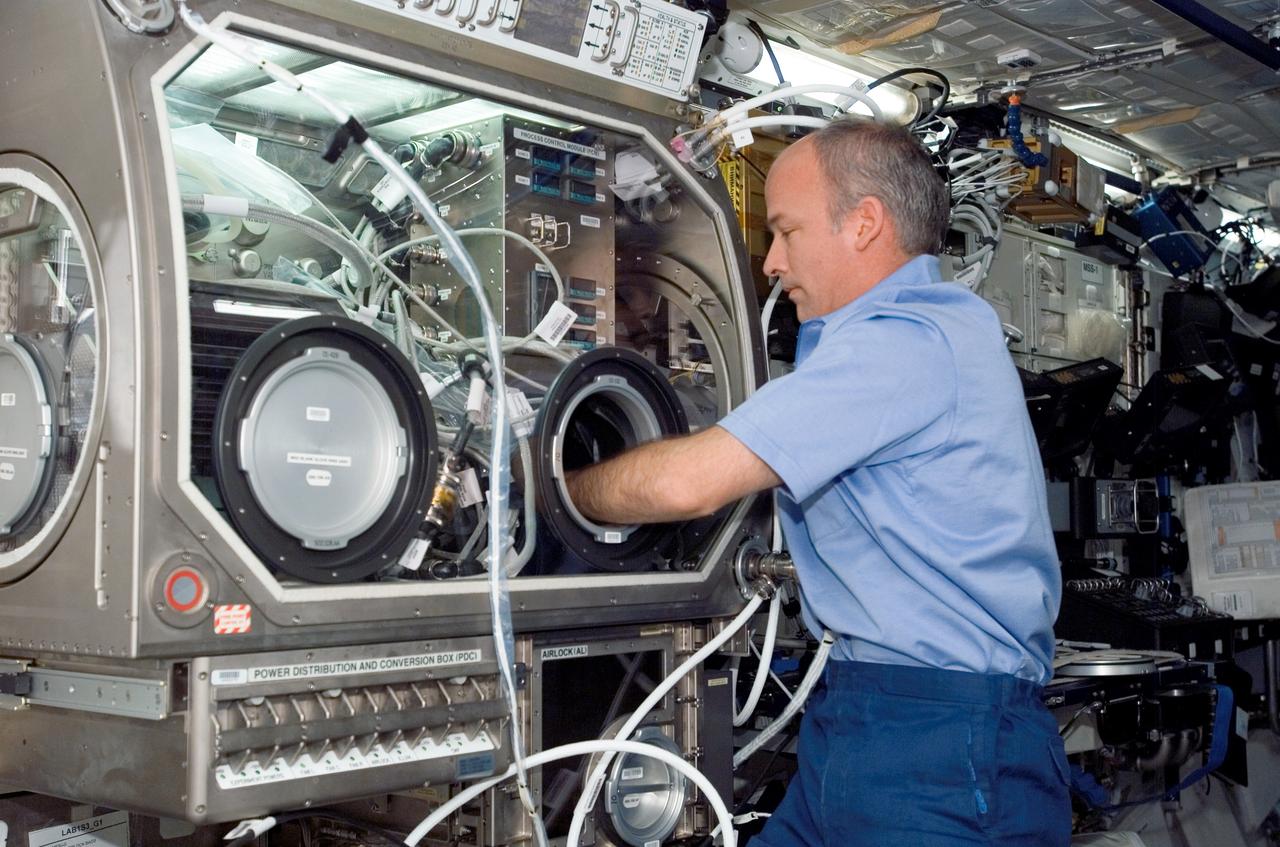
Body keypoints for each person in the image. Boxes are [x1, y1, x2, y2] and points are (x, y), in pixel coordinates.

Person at [564, 119, 1071, 846]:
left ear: (864, 224)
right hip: (867, 718)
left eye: (786, 231)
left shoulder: (905, 344)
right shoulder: (910, 338)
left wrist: (552, 483)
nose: (772, 262)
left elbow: (687, 484)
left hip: (942, 744)